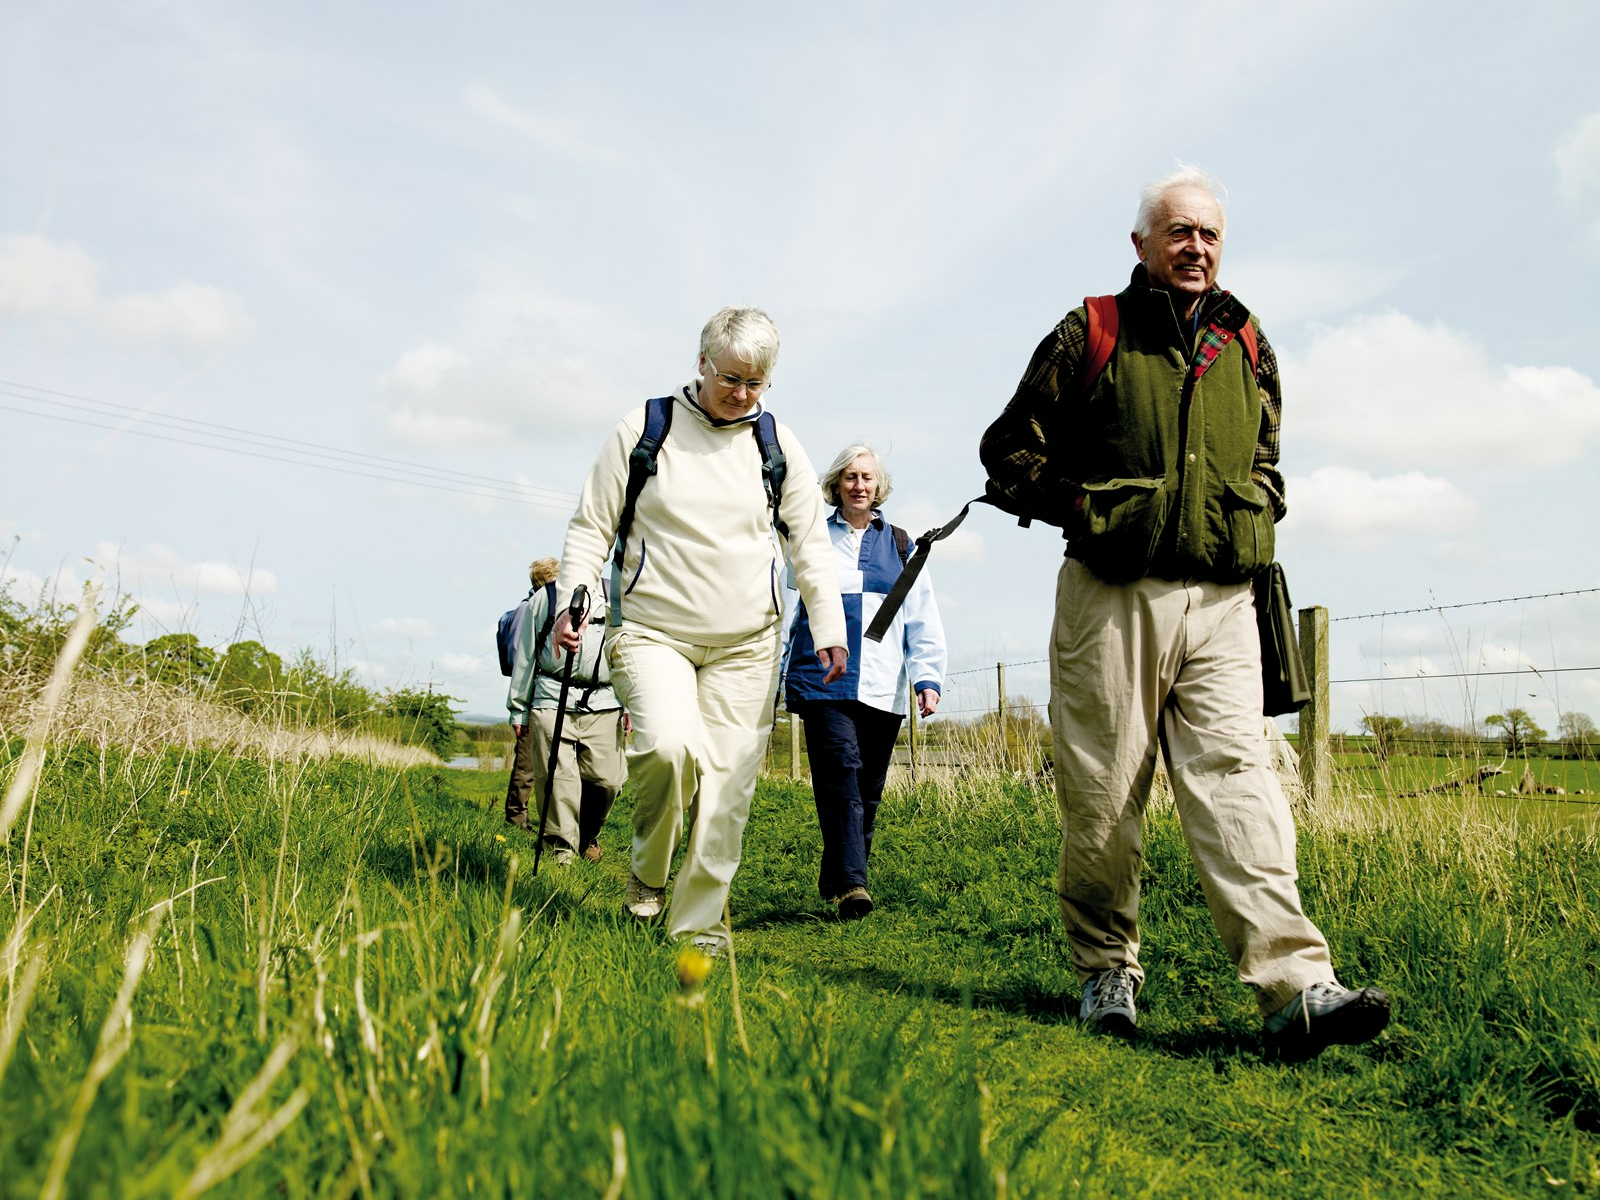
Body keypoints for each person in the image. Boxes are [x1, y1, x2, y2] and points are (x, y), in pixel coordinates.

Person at [979, 166, 1391, 1062]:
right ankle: (1106, 972)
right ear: (1142, 245)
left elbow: (1269, 457)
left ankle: (1294, 986)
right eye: (1177, 232)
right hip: (1114, 599)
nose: (1195, 246)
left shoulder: (1249, 340)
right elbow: (1007, 451)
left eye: (1207, 234)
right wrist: (1087, 511)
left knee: (1244, 782)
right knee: (1103, 793)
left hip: (1226, 602)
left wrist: (1258, 505)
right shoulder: (1090, 329)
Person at [552, 306, 847, 957]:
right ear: (702, 363)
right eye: (731, 378)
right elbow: (590, 529)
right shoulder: (645, 428)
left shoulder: (777, 445)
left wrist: (828, 625)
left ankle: (698, 925)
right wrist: (574, 600)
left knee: (728, 784)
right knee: (668, 749)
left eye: (756, 383)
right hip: (653, 631)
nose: (741, 394)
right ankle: (649, 873)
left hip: (747, 643)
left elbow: (811, 545)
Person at [783, 444, 946, 918]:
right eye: (850, 477)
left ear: (879, 487)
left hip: (882, 681)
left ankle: (838, 871)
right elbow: (788, 584)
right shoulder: (813, 536)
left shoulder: (902, 545)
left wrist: (927, 677)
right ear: (836, 485)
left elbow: (922, 617)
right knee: (840, 776)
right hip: (824, 678)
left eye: (867, 478)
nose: (858, 485)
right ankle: (854, 884)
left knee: (868, 788)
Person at [504, 558, 627, 865]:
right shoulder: (546, 598)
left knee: (608, 781)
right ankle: (561, 856)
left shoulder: (618, 596)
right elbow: (526, 656)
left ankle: (586, 838)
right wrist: (519, 709)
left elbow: (628, 652)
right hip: (552, 696)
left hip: (605, 701)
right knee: (558, 780)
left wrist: (631, 704)